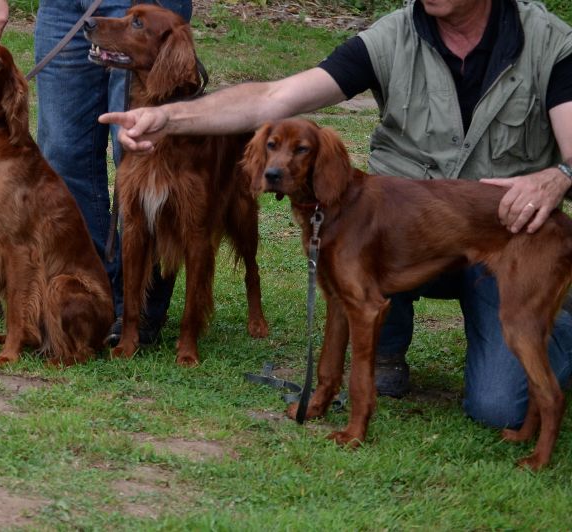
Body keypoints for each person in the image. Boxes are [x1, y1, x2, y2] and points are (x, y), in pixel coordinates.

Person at [100, 0, 572, 429]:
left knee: (498, 407)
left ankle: (555, 323)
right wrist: (170, 119)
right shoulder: (392, 35)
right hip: (392, 229)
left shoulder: (550, 41)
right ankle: (386, 349)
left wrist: (561, 173)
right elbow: (273, 98)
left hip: (506, 233)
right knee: (358, 253)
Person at [0, 0, 194, 347]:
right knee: (61, 152)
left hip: (146, 4)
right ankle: (87, 301)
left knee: (146, 155)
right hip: (65, 8)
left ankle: (136, 311)